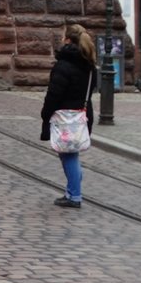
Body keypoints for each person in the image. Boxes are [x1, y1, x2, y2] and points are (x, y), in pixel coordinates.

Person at [40, 23, 97, 208]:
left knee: (68, 155)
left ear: (68, 40)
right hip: (82, 114)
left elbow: (54, 94)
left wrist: (45, 113)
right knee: (72, 154)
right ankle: (73, 190)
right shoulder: (89, 65)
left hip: (65, 117)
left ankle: (74, 195)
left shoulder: (63, 65)